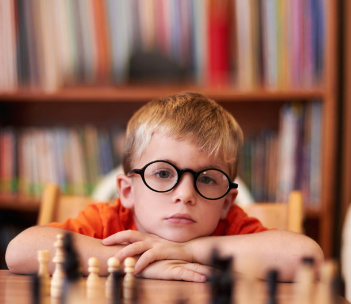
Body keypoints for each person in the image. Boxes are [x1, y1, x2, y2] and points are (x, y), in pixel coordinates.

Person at [5, 92, 323, 282]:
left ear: (227, 202)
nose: (185, 194)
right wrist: (139, 263)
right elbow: (20, 251)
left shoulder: (229, 226)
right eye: (162, 174)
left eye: (208, 178)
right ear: (127, 191)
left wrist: (188, 252)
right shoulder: (108, 221)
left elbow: (307, 257)